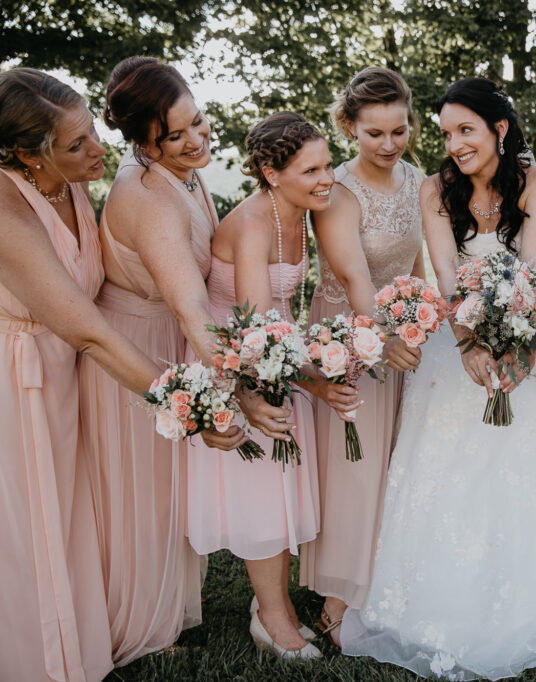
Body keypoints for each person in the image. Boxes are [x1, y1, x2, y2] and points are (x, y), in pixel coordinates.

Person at [339, 77, 536, 679]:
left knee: (528, 466)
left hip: (529, 340)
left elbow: (532, 266)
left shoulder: (535, 181)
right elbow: (448, 273)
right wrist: (472, 344)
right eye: (447, 133)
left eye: (466, 130)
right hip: (456, 346)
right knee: (451, 469)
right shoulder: (433, 190)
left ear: (499, 129)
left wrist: (518, 344)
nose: (453, 143)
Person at [0, 67, 162, 682]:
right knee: (21, 529)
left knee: (69, 518)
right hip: (16, 386)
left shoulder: (72, 184)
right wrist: (189, 402)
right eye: (76, 145)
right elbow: (88, 329)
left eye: (93, 132)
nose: (99, 150)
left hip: (67, 378)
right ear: (26, 154)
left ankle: (81, 644)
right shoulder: (5, 205)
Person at [76, 57, 224, 665]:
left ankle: (161, 613)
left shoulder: (184, 175)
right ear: (143, 142)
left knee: (166, 493)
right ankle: (134, 627)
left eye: (199, 122)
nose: (196, 140)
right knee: (140, 495)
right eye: (177, 135)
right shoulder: (152, 199)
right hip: (134, 349)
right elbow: (192, 309)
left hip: (167, 341)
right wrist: (242, 384)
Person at [187, 112, 340, 660]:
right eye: (312, 169)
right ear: (273, 174)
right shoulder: (253, 225)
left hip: (276, 360)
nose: (327, 178)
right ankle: (272, 618)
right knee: (260, 497)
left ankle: (271, 602)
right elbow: (254, 326)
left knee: (278, 489)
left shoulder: (300, 214)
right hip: (237, 366)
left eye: (327, 164)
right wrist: (291, 388)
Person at [299, 66, 425, 646]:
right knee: (358, 464)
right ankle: (337, 596)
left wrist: (426, 324)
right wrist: (383, 339)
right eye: (375, 132)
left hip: (404, 333)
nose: (389, 144)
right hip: (351, 335)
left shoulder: (417, 178)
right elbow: (353, 278)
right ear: (349, 126)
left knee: (401, 459)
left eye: (399, 131)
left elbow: (417, 264)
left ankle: (390, 575)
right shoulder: (336, 192)